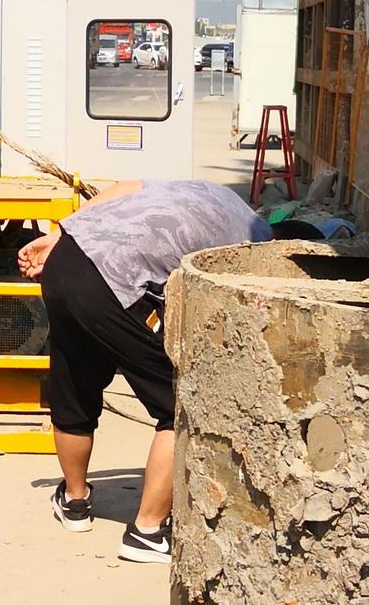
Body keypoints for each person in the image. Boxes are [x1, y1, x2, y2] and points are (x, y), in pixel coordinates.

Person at [17, 180, 274, 563]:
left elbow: (125, 187)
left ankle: (75, 501)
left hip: (64, 259)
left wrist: (57, 234)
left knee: (74, 383)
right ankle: (147, 532)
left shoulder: (213, 193)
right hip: (117, 280)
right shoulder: (259, 246)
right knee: (183, 403)